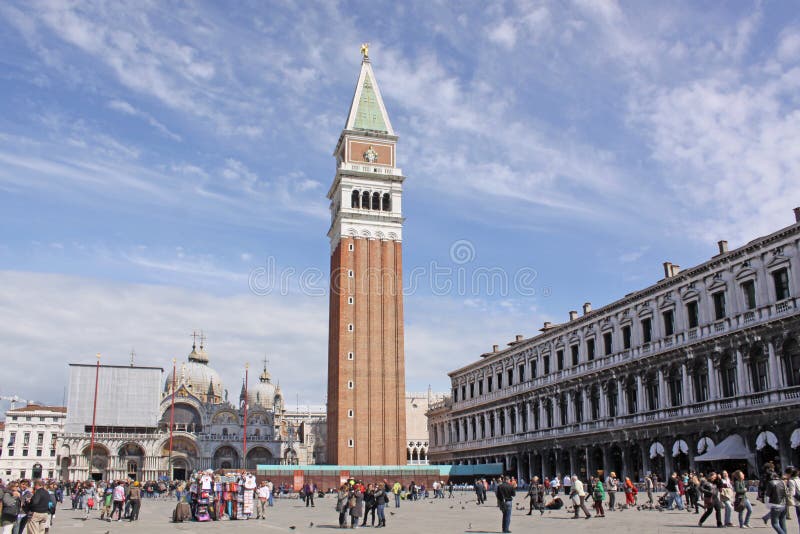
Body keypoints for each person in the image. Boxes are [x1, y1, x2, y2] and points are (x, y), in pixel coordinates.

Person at [765, 468, 788, 534]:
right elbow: (786, 493)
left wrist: (767, 505)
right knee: (782, 523)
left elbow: (767, 496)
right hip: (783, 505)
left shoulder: (770, 483)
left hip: (775, 505)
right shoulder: (782, 482)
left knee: (774, 524)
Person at [786, 467, 800, 534]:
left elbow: (793, 493)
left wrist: (787, 493)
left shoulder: (791, 481)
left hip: (798, 503)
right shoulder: (799, 479)